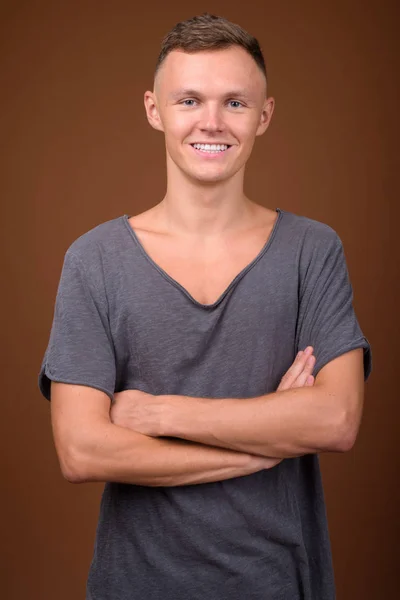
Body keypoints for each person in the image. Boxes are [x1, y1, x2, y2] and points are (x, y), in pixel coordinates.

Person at [38, 12, 372, 600]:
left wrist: (160, 415)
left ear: (264, 115)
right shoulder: (93, 260)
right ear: (154, 110)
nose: (211, 122)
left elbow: (336, 420)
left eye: (235, 103)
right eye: (189, 100)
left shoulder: (312, 250)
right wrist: (265, 442)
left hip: (282, 584)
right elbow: (82, 448)